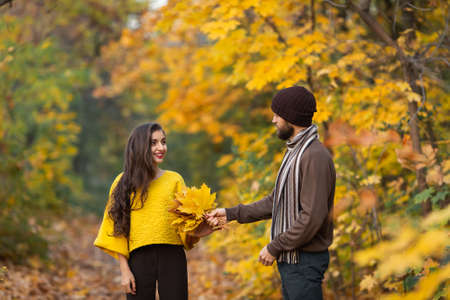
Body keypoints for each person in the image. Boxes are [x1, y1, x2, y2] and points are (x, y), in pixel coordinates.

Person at [207, 86, 336, 300]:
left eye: (277, 114)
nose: (274, 120)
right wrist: (230, 213)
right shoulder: (296, 152)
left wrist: (275, 246)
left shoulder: (314, 156)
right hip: (294, 262)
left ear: (290, 118)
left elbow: (311, 217)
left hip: (303, 262)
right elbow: (276, 202)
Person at [94, 122, 212, 300]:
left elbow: (186, 224)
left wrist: (202, 228)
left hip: (172, 256)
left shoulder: (175, 180)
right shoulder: (123, 182)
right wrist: (124, 271)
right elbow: (117, 228)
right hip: (138, 258)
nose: (161, 147)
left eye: (163, 142)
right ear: (141, 146)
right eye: (153, 143)